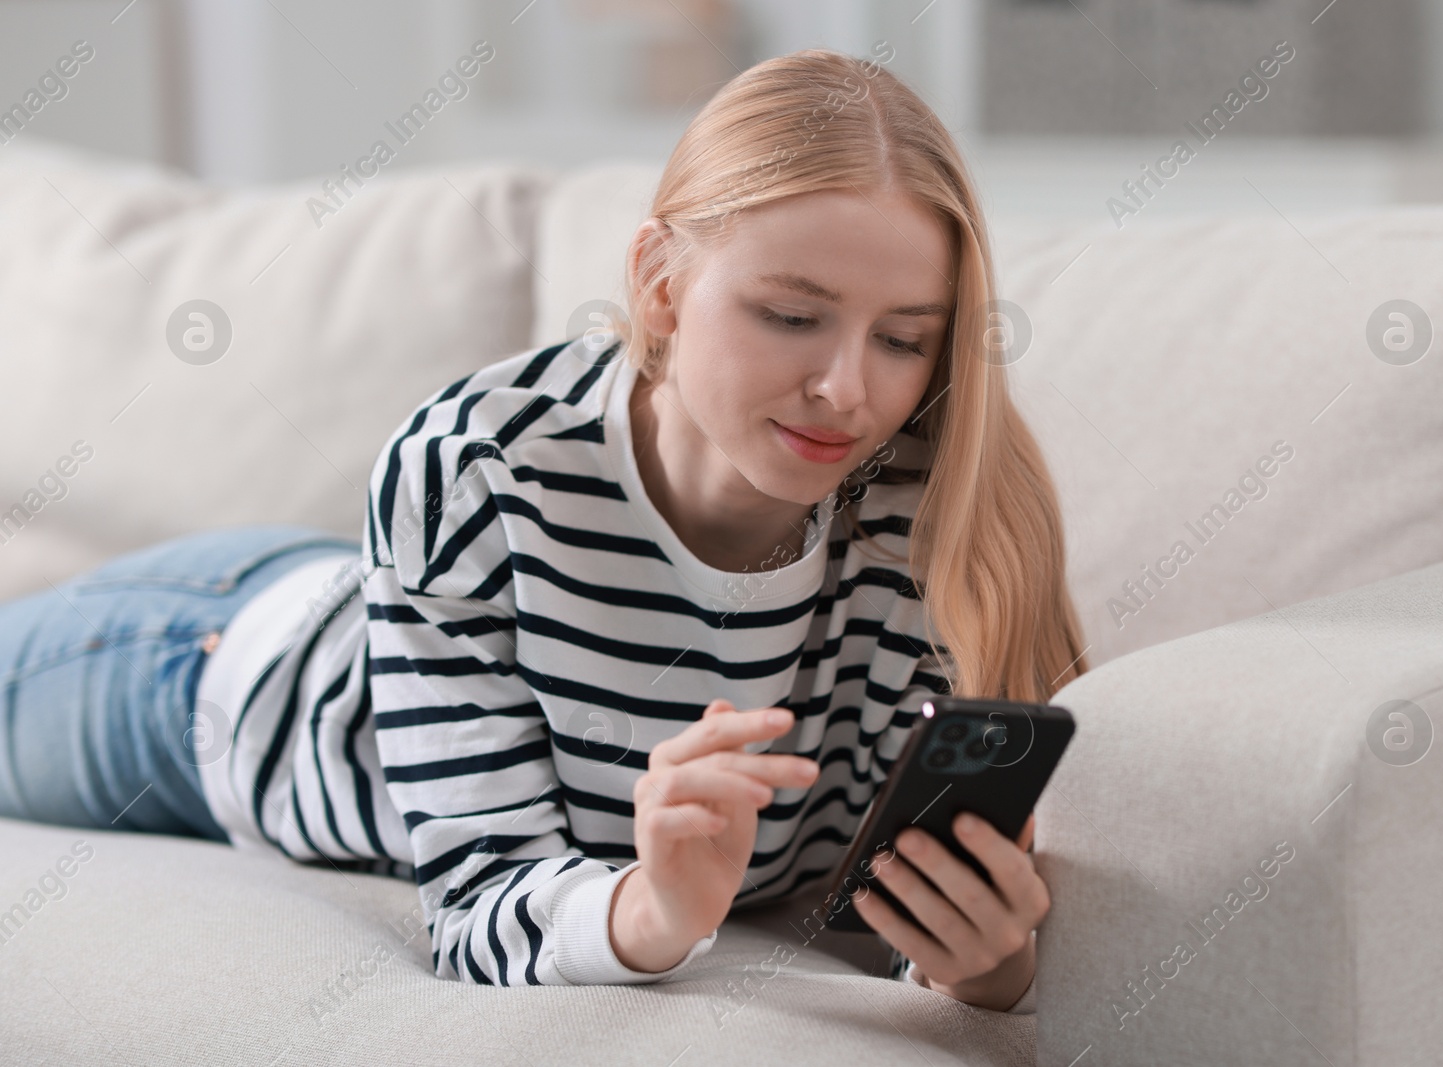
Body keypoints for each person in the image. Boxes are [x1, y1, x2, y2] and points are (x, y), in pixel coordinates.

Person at [0, 48, 1088, 1013]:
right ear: (660, 286)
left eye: (902, 338)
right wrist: (649, 910)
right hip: (201, 673)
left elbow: (896, 903)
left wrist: (985, 967)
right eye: (792, 316)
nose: (846, 389)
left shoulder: (925, 522)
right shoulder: (477, 461)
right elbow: (476, 899)